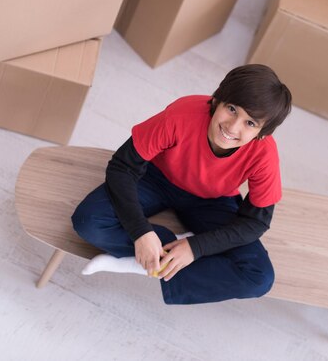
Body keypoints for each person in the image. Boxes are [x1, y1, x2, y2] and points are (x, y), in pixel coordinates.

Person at [71, 64, 292, 305]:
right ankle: (158, 250)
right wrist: (141, 232)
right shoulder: (182, 114)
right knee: (88, 222)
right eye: (231, 109)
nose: (233, 127)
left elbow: (256, 221)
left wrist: (195, 247)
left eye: (250, 123)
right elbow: (122, 166)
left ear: (262, 133)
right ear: (217, 99)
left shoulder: (265, 154)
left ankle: (145, 262)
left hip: (213, 200)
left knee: (259, 277)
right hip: (156, 178)